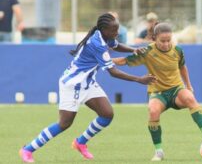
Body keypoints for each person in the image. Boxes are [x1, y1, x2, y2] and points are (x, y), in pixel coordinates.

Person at [19, 13, 157, 163]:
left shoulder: (104, 36)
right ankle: (28, 149)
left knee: (107, 114)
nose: (116, 33)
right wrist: (138, 79)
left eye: (117, 29)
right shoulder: (96, 44)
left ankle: (80, 142)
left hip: (87, 83)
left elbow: (115, 44)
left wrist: (133, 50)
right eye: (113, 30)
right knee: (64, 123)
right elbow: (113, 71)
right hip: (73, 85)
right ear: (104, 29)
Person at [113, 23, 202, 161]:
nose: (166, 44)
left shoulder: (177, 50)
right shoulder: (147, 51)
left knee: (190, 98)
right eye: (163, 41)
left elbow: (183, 67)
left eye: (169, 40)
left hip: (176, 90)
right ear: (154, 38)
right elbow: (124, 61)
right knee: (153, 111)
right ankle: (159, 151)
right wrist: (104, 60)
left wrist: (188, 85)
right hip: (158, 92)